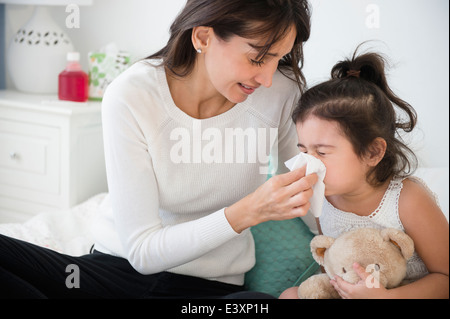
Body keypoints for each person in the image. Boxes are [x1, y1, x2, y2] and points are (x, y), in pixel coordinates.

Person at [0, 0, 318, 298]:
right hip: (112, 273)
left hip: (206, 288)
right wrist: (246, 212)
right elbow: (142, 251)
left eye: (279, 58)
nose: (266, 77)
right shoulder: (132, 94)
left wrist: (356, 255)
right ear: (204, 38)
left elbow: (315, 196)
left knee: (255, 302)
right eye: (257, 58)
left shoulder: (281, 93)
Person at [280, 46, 449, 299]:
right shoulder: (322, 198)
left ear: (372, 152)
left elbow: (445, 278)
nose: (308, 164)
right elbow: (332, 264)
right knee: (290, 296)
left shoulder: (408, 199)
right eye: (304, 150)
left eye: (322, 152)